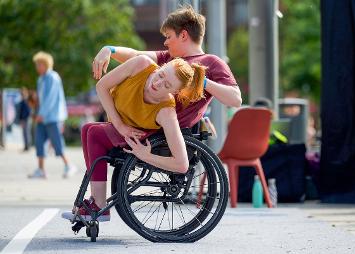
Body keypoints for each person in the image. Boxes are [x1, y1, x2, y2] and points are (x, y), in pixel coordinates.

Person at [62, 55, 206, 222]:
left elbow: (182, 164)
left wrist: (146, 156)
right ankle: (97, 202)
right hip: (120, 125)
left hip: (137, 136)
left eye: (166, 85)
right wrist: (119, 125)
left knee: (94, 133)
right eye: (161, 75)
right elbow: (102, 86)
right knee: (88, 129)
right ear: (161, 66)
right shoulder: (141, 65)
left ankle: (99, 204)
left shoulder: (166, 111)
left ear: (174, 92)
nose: (157, 83)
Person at [92, 5, 241, 132]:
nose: (165, 42)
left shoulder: (212, 62)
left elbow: (235, 99)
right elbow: (135, 54)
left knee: (96, 132)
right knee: (92, 130)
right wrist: (109, 50)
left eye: (168, 36)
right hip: (145, 120)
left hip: (168, 129)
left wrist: (202, 81)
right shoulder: (168, 57)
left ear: (183, 35)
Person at [28, 51, 77, 179]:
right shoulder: (40, 79)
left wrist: (41, 114)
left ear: (45, 64)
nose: (37, 67)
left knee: (57, 142)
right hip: (42, 117)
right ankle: (41, 170)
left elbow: (50, 98)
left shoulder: (53, 77)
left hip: (53, 117)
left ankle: (69, 166)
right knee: (39, 142)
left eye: (39, 64)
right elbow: (41, 98)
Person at [17, 87, 32, 151]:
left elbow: (28, 111)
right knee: (24, 133)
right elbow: (20, 112)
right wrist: (21, 119)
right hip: (23, 119)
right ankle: (26, 146)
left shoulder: (27, 101)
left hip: (27, 119)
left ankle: (28, 146)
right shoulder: (22, 101)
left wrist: (23, 119)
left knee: (27, 132)